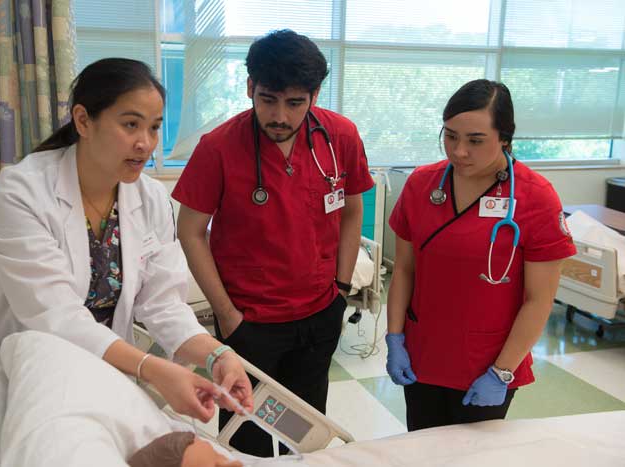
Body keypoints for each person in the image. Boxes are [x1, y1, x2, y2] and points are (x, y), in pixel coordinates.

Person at [0, 58, 253, 434]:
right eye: (130, 124)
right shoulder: (22, 192)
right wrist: (151, 368)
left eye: (154, 128)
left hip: (101, 369)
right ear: (84, 120)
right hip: (20, 367)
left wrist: (218, 355)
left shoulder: (150, 198)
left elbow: (162, 302)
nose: (145, 143)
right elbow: (56, 316)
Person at [172, 30, 373, 456]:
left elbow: (352, 209)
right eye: (267, 99)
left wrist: (340, 287)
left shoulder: (339, 137)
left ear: (315, 95)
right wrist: (227, 315)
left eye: (295, 102)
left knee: (306, 429)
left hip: (320, 311)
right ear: (250, 87)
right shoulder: (219, 148)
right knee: (247, 435)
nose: (279, 116)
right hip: (251, 322)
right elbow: (190, 231)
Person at [385, 79, 576, 431]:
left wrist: (501, 371)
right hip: (422, 356)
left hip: (488, 364)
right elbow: (405, 271)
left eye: (475, 141)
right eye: (450, 136)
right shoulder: (422, 185)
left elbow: (539, 300)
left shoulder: (536, 199)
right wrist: (394, 337)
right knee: (424, 452)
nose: (458, 151)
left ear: (504, 137)